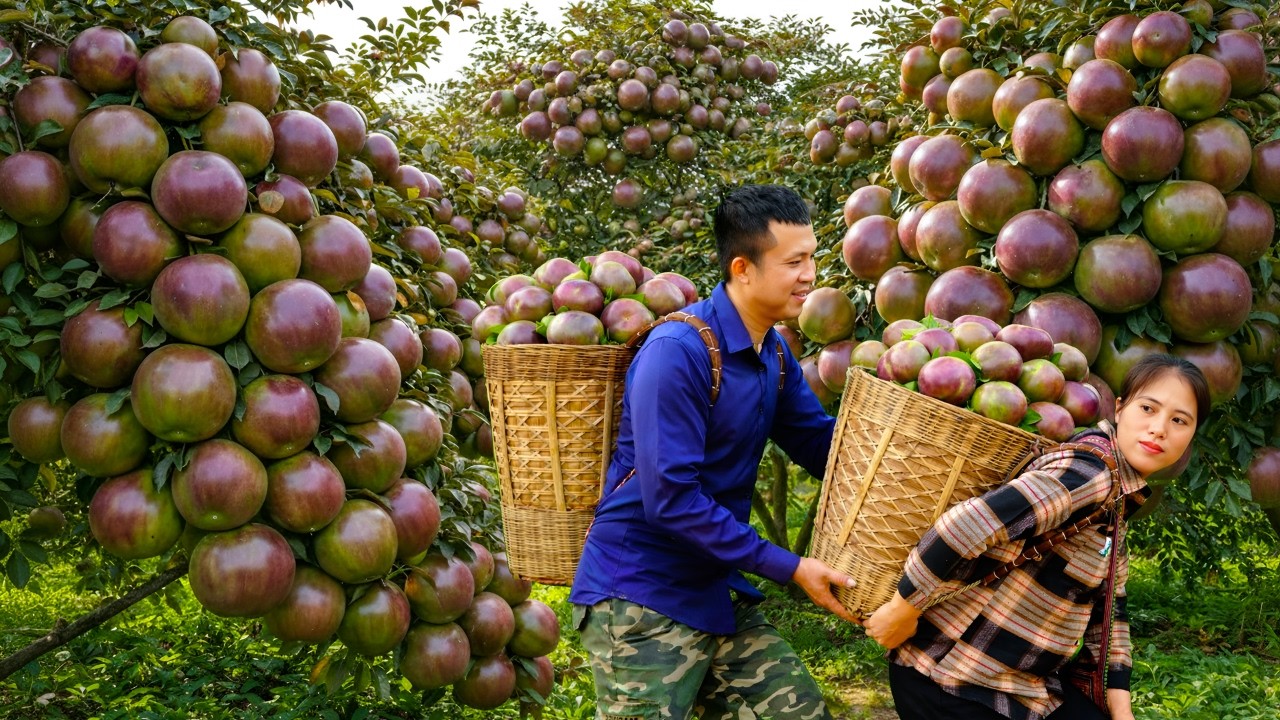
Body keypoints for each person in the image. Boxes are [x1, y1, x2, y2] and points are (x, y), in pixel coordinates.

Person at [569, 184, 859, 720]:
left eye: (812, 257)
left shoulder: (771, 352)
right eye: (794, 261)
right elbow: (671, 499)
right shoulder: (677, 353)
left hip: (712, 584)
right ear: (743, 268)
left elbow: (822, 446)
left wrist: (901, 446)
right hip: (640, 595)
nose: (810, 275)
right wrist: (790, 567)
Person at [864, 354, 1210, 720]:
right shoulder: (1089, 473)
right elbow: (966, 525)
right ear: (1120, 409)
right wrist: (904, 608)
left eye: (1179, 420)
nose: (1159, 428)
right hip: (952, 682)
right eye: (1148, 408)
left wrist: (1121, 711)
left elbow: (1111, 613)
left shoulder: (1118, 499)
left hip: (1020, 688)